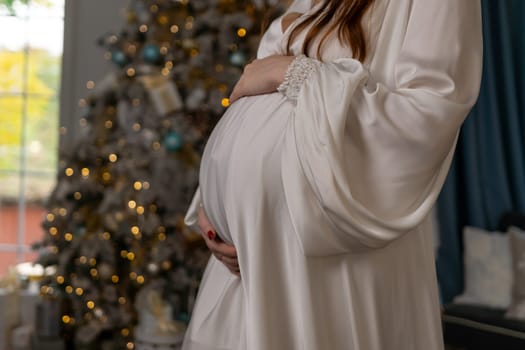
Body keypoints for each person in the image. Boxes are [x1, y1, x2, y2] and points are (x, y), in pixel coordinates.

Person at [182, 0, 483, 348]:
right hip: (249, 256)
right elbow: (256, 97)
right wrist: (215, 199)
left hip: (329, 243)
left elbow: (427, 115)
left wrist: (293, 71)